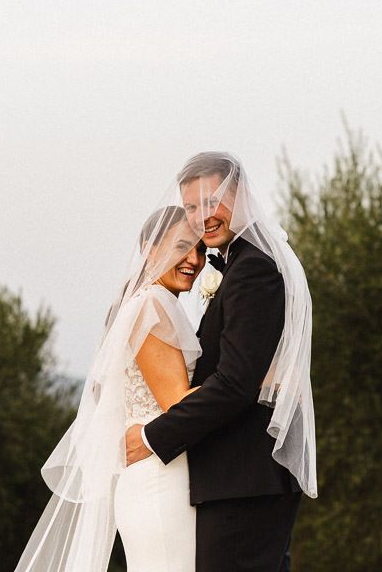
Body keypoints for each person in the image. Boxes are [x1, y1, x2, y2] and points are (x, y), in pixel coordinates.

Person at [126, 151, 317, 572]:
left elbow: (234, 383)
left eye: (211, 203)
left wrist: (155, 436)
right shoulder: (242, 262)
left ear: (242, 194)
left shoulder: (252, 268)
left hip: (242, 478)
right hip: (240, 480)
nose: (202, 217)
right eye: (191, 207)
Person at [15, 202, 207, 572]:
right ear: (149, 249)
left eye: (200, 249)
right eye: (182, 246)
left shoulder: (143, 302)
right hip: (160, 477)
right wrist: (251, 381)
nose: (195, 260)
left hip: (154, 472)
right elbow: (178, 404)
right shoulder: (152, 304)